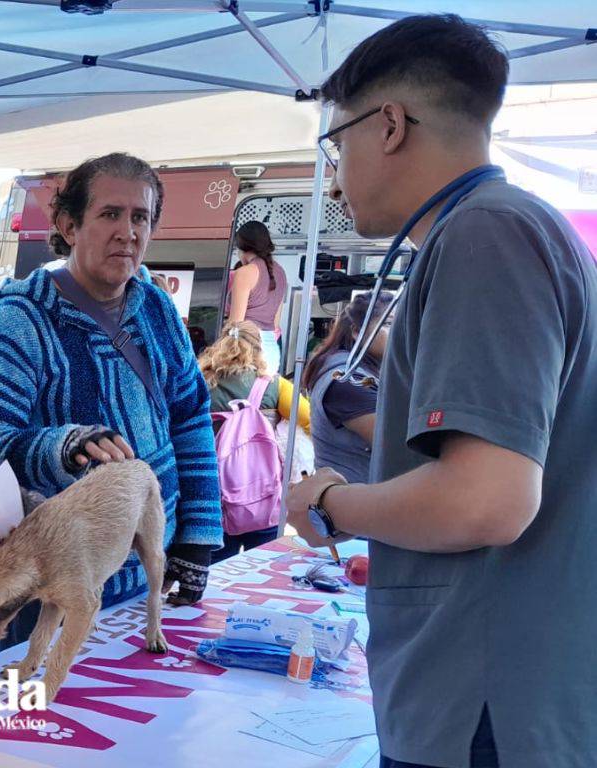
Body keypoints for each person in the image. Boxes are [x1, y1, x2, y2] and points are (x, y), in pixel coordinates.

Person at [285, 16, 597, 768]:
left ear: (389, 124)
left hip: (484, 705)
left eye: (339, 142)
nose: (335, 173)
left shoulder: (484, 236)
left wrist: (330, 504)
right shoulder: (504, 229)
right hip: (500, 692)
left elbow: (485, 500)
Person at [0, 152, 222, 644]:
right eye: (110, 214)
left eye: (140, 217)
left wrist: (196, 536)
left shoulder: (157, 308)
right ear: (68, 225)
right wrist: (64, 446)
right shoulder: (20, 322)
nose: (127, 232)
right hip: (59, 590)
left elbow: (191, 419)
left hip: (150, 576)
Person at [198, 321, 309, 561]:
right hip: (264, 497)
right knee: (261, 566)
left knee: (213, 576)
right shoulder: (275, 386)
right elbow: (309, 419)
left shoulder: (200, 383)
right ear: (260, 349)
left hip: (213, 499)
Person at [301, 292, 393, 484]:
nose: (400, 332)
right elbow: (398, 449)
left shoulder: (365, 371)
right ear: (357, 331)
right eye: (388, 323)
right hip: (356, 505)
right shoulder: (348, 382)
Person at [225, 221, 287, 373]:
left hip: (248, 350)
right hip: (271, 350)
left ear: (241, 247)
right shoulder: (281, 273)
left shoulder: (245, 273)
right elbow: (276, 323)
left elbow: (235, 325)